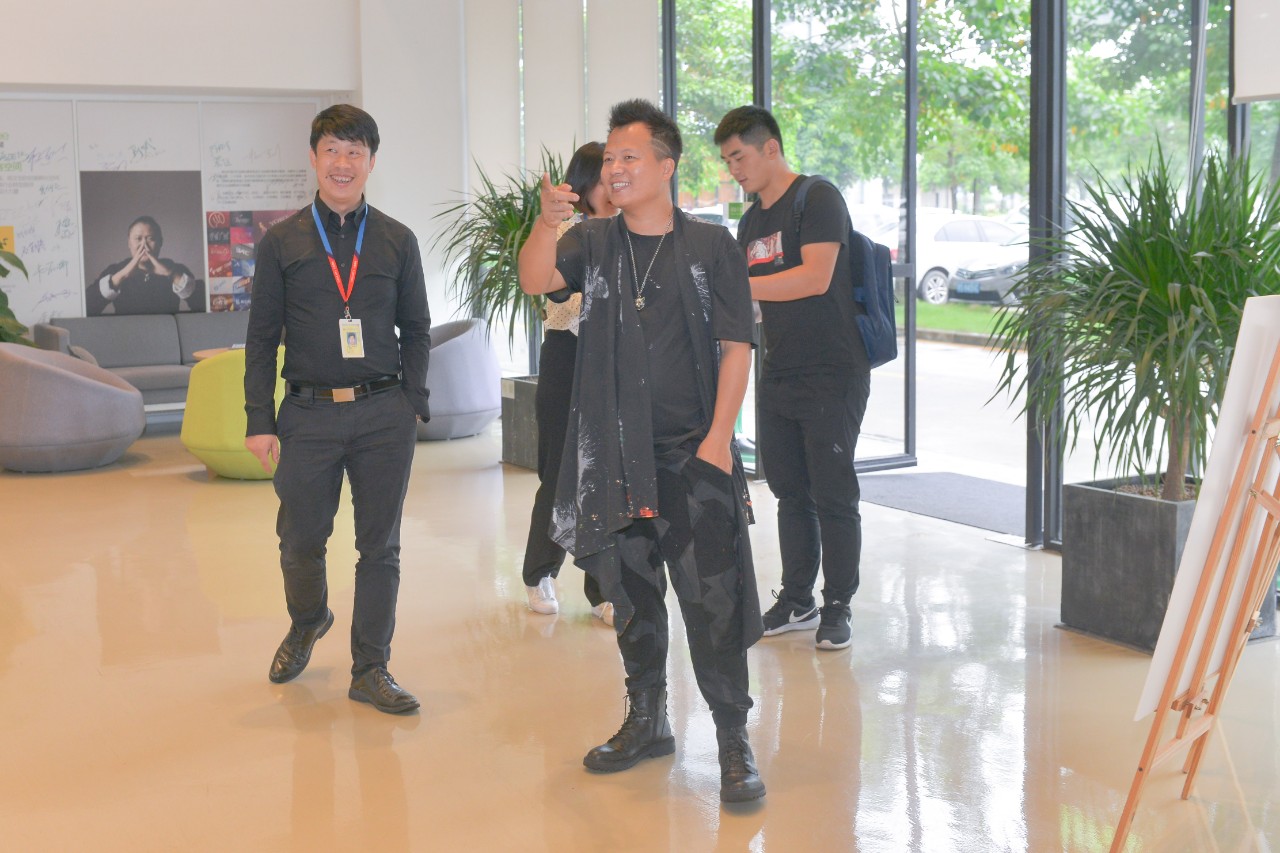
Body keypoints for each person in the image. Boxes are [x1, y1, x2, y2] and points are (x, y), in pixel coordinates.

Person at [518, 98, 766, 803]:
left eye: (630, 157)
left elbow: (737, 346)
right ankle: (648, 720)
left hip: (694, 455)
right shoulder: (592, 242)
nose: (615, 169)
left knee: (713, 601)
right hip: (614, 459)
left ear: (666, 165)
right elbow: (536, 280)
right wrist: (546, 222)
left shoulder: (712, 245)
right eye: (609, 159)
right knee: (631, 597)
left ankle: (732, 737)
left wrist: (718, 440)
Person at [243, 104, 431, 715]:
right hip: (308, 414)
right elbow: (261, 338)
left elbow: (417, 329)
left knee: (380, 548)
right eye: (332, 150)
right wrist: (258, 419)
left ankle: (370, 668)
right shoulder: (282, 241)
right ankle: (308, 620)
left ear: (371, 162)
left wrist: (413, 401)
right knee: (300, 539)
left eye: (355, 152)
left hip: (383, 414)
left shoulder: (397, 240)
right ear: (314, 158)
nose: (343, 163)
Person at [714, 105, 870, 652]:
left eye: (739, 157)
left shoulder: (818, 198)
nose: (734, 169)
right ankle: (798, 598)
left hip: (833, 370)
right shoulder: (750, 220)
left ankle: (838, 604)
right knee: (789, 493)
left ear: (771, 148)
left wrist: (739, 288)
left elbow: (814, 277)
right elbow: (752, 300)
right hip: (778, 370)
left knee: (833, 493)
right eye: (727, 161)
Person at [521, 141, 617, 624]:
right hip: (568, 355)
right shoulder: (563, 230)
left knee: (607, 476)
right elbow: (546, 287)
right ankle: (539, 573)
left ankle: (604, 588)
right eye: (605, 174)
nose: (615, 182)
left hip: (616, 362)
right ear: (585, 182)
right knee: (559, 473)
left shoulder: (634, 229)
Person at [86, 215, 202, 315]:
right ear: (129, 243)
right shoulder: (115, 270)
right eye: (138, 239)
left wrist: (171, 274)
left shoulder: (177, 269)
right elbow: (87, 307)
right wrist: (122, 275)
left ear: (160, 242)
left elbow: (204, 305)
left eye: (150, 239)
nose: (144, 246)